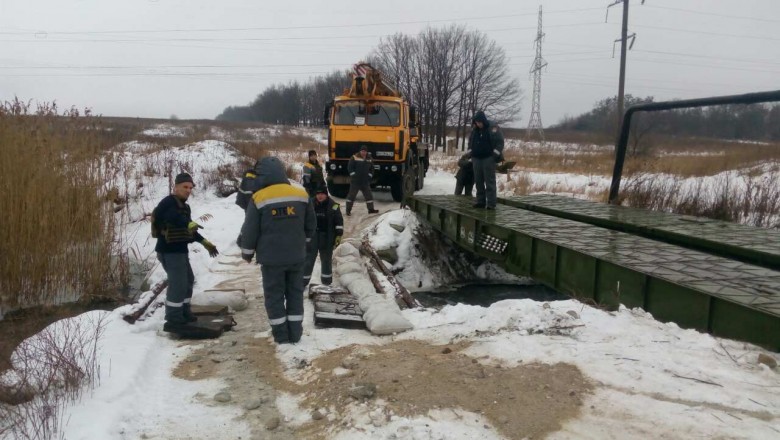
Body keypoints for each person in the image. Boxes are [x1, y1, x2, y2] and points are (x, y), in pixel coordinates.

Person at [239, 157, 315, 344]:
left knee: (274, 296)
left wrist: (247, 253)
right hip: (297, 257)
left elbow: (250, 230)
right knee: (295, 294)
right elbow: (311, 225)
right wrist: (301, 242)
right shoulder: (301, 195)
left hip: (271, 260)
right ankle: (295, 335)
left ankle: (281, 336)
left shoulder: (259, 198)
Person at [153, 172, 219, 329]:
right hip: (168, 251)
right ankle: (173, 318)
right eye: (185, 187)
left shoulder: (184, 206)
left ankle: (184, 311)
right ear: (175, 187)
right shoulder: (168, 202)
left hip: (180, 250)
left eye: (190, 187)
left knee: (188, 280)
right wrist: (187, 223)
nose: (188, 190)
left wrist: (204, 241)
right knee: (178, 283)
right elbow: (173, 217)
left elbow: (189, 227)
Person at [303, 185, 344, 287]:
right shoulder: (309, 204)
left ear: (326, 195)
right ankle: (302, 282)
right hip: (312, 237)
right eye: (318, 194)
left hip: (327, 237)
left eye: (322, 194)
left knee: (326, 260)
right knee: (308, 260)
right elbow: (303, 220)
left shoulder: (334, 205)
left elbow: (339, 221)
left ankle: (326, 282)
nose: (320, 196)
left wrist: (338, 235)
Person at [468, 110, 504, 210]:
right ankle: (480, 201)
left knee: (489, 182)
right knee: (478, 181)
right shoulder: (474, 130)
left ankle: (491, 204)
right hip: (476, 158)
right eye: (476, 122)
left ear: (483, 121)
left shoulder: (493, 128)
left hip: (488, 158)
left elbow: (500, 142)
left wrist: (494, 156)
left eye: (479, 122)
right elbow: (470, 142)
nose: (478, 124)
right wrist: (471, 153)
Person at [346, 145, 379, 216]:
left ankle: (371, 209)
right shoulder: (354, 157)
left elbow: (372, 169)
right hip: (355, 181)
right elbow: (350, 167)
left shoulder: (369, 158)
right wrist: (354, 175)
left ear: (367, 152)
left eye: (365, 151)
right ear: (360, 151)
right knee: (351, 196)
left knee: (369, 196)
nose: (363, 153)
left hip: (365, 182)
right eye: (362, 151)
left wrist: (370, 175)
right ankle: (348, 210)